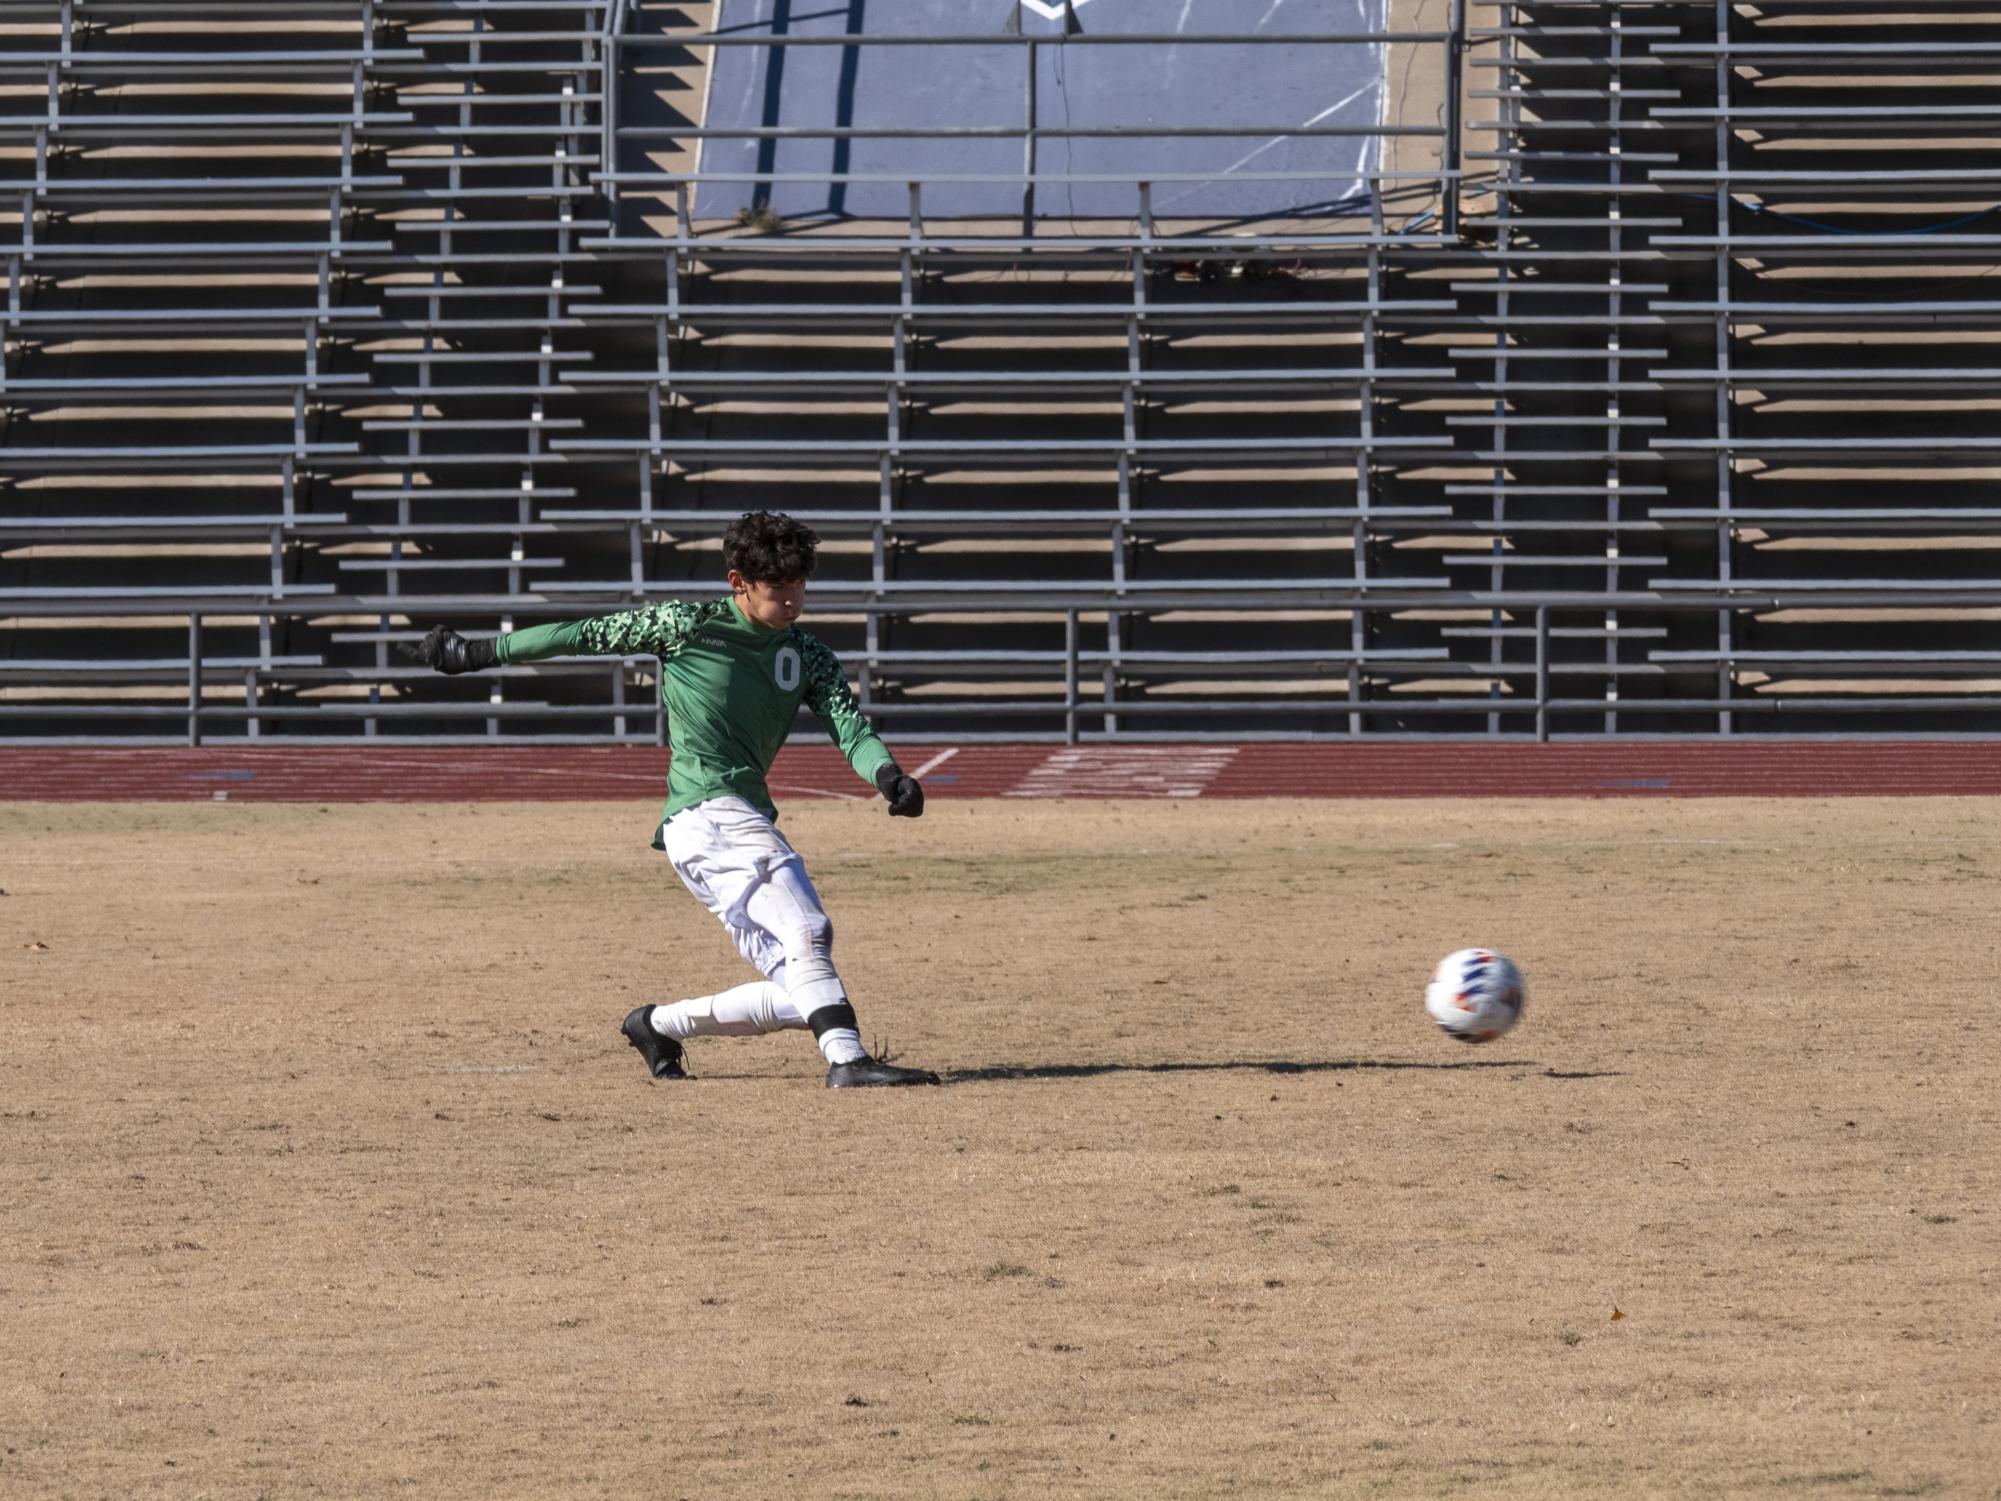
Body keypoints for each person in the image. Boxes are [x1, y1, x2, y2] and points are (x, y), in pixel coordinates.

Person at [406, 510, 940, 1089]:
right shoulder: (686, 625)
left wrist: (888, 776)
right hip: (709, 811)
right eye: (779, 588)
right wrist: (479, 652)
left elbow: (850, 727)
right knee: (806, 924)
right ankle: (847, 1060)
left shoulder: (808, 655)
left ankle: (656, 1025)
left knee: (801, 988)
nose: (794, 600)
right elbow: (582, 635)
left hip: (729, 822)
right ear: (738, 583)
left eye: (801, 586)